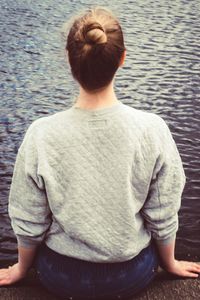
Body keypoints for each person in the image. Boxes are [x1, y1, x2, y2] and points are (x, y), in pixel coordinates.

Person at [0, 6, 200, 300]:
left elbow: (29, 217)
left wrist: (20, 270)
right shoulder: (151, 129)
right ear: (122, 58)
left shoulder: (42, 133)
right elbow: (163, 209)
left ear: (70, 60)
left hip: (60, 275)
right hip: (130, 275)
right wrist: (168, 263)